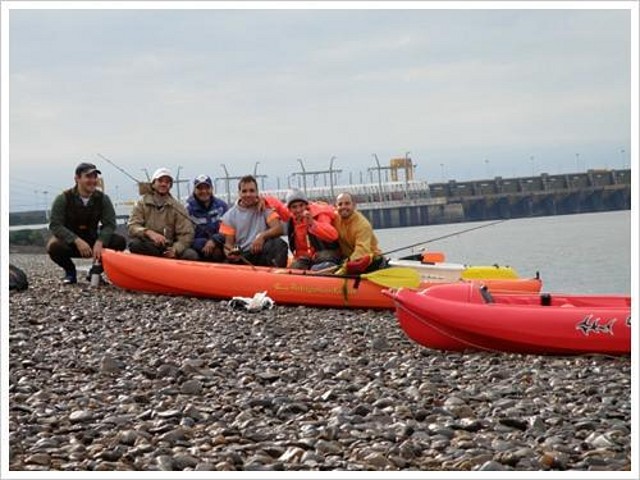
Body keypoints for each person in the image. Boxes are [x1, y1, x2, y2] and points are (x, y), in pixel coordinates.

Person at [47, 162, 126, 284]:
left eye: (95, 177)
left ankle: (95, 272)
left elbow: (110, 224)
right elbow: (55, 225)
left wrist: (101, 241)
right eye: (88, 177)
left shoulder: (103, 199)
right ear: (77, 178)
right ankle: (70, 273)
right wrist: (76, 240)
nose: (93, 180)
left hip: (93, 240)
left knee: (119, 242)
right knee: (54, 247)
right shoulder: (63, 198)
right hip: (71, 242)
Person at [127, 167, 198, 260]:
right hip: (149, 246)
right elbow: (132, 226)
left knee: (191, 255)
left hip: (170, 247)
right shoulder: (141, 204)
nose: (164, 184)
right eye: (160, 181)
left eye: (167, 182)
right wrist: (148, 233)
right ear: (153, 183)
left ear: (170, 185)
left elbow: (187, 234)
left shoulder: (178, 207)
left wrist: (175, 249)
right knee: (135, 244)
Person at [219, 175, 288, 267]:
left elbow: (279, 228)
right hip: (243, 255)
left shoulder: (264, 207)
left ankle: (276, 276)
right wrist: (230, 253)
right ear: (239, 193)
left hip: (261, 252)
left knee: (279, 243)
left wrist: (262, 236)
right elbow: (229, 244)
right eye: (244, 191)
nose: (248, 194)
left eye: (251, 191)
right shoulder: (229, 216)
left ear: (257, 192)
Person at [283, 189, 342, 270]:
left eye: (301, 205)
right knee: (295, 268)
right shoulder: (292, 220)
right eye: (294, 207)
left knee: (319, 264)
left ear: (306, 206)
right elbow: (278, 207)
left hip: (326, 254)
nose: (298, 210)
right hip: (306, 258)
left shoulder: (319, 215)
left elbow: (333, 235)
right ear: (289, 209)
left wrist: (312, 224)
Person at [334, 192, 386, 274]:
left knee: (358, 263)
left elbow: (361, 251)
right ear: (336, 206)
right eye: (340, 204)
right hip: (346, 258)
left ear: (354, 205)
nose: (343, 207)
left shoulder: (363, 225)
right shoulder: (335, 218)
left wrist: (345, 267)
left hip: (367, 260)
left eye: (347, 203)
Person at [186, 174, 229, 262]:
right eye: (200, 188)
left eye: (207, 188)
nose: (204, 191)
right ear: (194, 190)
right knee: (190, 255)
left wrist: (214, 241)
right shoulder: (188, 211)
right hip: (198, 248)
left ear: (212, 189)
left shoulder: (222, 206)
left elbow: (228, 230)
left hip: (219, 245)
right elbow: (187, 236)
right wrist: (204, 243)